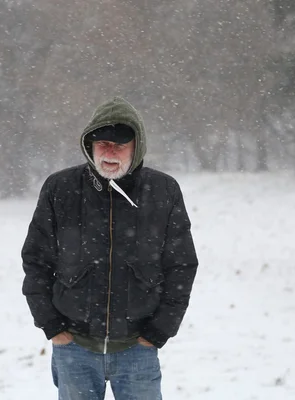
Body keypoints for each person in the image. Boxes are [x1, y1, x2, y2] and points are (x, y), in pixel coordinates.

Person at [21, 96, 198, 400]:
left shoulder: (163, 191)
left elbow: (181, 266)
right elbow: (36, 260)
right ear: (89, 145)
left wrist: (158, 332)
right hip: (74, 348)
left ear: (137, 146)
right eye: (103, 143)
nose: (110, 152)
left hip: (138, 349)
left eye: (120, 145)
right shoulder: (60, 188)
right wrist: (51, 325)